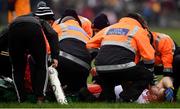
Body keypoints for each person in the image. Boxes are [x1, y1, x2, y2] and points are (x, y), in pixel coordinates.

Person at [86, 13, 155, 102]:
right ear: (140, 22)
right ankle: (126, 97)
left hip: (101, 68)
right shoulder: (138, 30)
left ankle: (101, 97)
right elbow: (149, 57)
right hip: (122, 67)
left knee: (108, 98)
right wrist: (150, 72)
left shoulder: (110, 28)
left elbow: (89, 44)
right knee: (147, 75)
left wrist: (102, 56)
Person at [8, 1, 59, 103]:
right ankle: (40, 98)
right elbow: (53, 35)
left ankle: (21, 99)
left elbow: (3, 36)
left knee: (17, 69)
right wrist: (55, 56)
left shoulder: (17, 20)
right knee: (41, 65)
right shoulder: (39, 20)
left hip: (14, 29)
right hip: (33, 30)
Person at [53, 9, 92, 97]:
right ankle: (78, 91)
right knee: (76, 91)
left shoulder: (59, 26)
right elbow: (93, 50)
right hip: (84, 67)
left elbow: (46, 44)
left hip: (64, 62)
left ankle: (52, 92)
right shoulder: (84, 32)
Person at [148, 31, 180, 101]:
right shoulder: (141, 39)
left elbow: (167, 64)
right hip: (160, 63)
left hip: (172, 63)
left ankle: (172, 92)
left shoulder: (162, 40)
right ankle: (166, 92)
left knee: (177, 62)